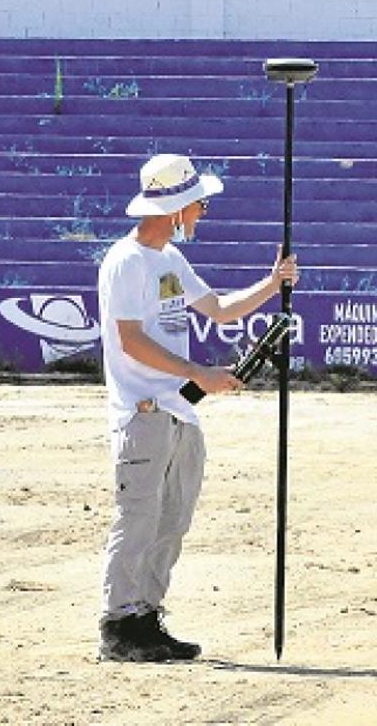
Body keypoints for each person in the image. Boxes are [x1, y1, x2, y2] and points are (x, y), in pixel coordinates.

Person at [96, 153, 299, 662]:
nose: (202, 213)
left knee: (171, 521)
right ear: (176, 207)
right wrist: (198, 373)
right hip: (143, 411)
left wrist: (272, 284)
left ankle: (146, 616)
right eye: (198, 204)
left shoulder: (169, 259)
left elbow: (219, 308)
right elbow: (130, 341)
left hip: (180, 411)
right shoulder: (127, 261)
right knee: (138, 519)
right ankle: (118, 625)